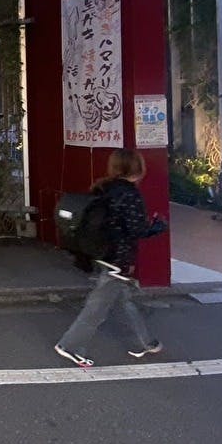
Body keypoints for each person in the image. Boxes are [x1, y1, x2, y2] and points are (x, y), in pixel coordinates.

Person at [54, 148, 164, 368]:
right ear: (138, 168)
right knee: (96, 308)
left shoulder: (104, 188)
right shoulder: (130, 195)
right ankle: (70, 346)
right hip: (118, 258)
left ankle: (146, 342)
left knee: (124, 299)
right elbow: (137, 230)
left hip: (101, 253)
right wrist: (158, 226)